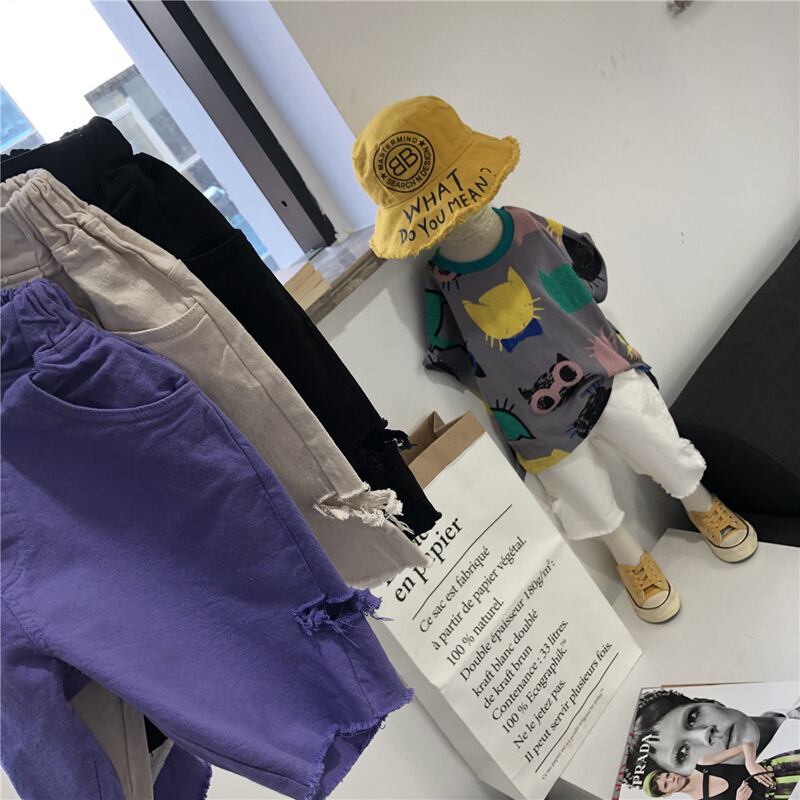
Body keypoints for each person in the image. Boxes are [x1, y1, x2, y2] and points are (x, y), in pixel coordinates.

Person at [642, 748, 800, 800]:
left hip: (777, 766)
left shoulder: (703, 763)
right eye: (666, 784)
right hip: (780, 792)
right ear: (667, 794)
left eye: (667, 775)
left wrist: (750, 763)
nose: (671, 779)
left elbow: (746, 745)